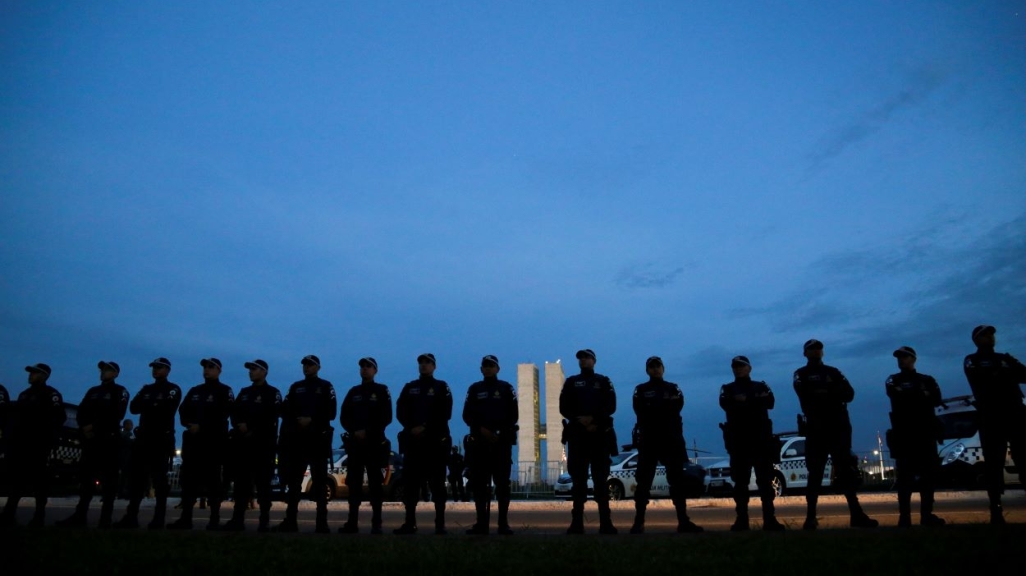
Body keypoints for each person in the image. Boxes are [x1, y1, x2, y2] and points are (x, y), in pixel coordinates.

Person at [793, 339, 878, 530]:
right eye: (811, 349)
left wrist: (823, 392)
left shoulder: (834, 371)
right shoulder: (801, 373)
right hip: (816, 428)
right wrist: (830, 392)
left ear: (822, 351)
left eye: (818, 348)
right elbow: (805, 395)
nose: (816, 351)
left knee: (845, 472)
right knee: (814, 474)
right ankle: (810, 518)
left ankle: (856, 515)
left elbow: (849, 394)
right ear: (805, 353)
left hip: (838, 428)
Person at [627, 356, 705, 534]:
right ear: (647, 370)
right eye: (652, 367)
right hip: (649, 441)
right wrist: (661, 409)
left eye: (658, 366)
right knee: (643, 482)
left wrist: (655, 410)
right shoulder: (640, 389)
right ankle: (638, 523)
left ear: (663, 369)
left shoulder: (673, 387)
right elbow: (641, 410)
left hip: (671, 441)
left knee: (677, 482)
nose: (655, 369)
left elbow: (676, 407)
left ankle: (683, 521)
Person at [963, 325, 1026, 524]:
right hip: (990, 417)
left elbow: (1024, 375)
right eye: (985, 335)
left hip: (1015, 414)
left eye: (991, 334)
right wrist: (1003, 373)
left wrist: (1002, 372)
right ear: (976, 339)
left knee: (1024, 457)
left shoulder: (1004, 358)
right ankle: (996, 508)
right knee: (993, 462)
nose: (990, 337)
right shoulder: (972, 360)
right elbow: (982, 380)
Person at [57, 361, 130, 528]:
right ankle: (79, 515)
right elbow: (82, 411)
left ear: (116, 374)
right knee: (86, 479)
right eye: (102, 369)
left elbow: (117, 413)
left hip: (108, 440)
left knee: (109, 481)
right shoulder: (93, 391)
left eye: (108, 370)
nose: (103, 372)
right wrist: (84, 427)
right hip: (91, 440)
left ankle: (105, 518)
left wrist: (95, 426)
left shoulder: (119, 391)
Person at [113, 357, 182, 529]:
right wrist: (153, 404)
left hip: (161, 439)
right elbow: (134, 407)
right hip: (143, 439)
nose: (155, 370)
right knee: (137, 480)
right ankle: (131, 516)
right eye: (154, 367)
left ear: (167, 370)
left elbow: (167, 409)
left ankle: (158, 518)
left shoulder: (173, 389)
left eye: (159, 368)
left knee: (159, 480)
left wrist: (150, 404)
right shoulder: (147, 388)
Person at [718, 355, 784, 531]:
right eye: (735, 366)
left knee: (765, 482)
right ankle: (742, 520)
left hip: (761, 441)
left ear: (749, 368)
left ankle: (770, 519)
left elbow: (770, 402)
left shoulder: (761, 385)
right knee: (740, 483)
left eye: (741, 366)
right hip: (739, 442)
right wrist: (754, 400)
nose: (738, 369)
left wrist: (744, 401)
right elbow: (726, 404)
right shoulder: (727, 388)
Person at [167, 358, 234, 530]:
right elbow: (183, 411)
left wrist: (202, 426)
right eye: (205, 367)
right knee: (189, 482)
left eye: (211, 367)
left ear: (219, 370)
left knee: (213, 483)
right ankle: (186, 518)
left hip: (213, 443)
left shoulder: (224, 391)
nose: (206, 370)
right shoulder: (195, 390)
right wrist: (190, 424)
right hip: (193, 444)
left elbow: (223, 414)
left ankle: (214, 520)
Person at [275, 355, 337, 533]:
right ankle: (290, 521)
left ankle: (321, 523)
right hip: (298, 442)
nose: (306, 367)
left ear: (318, 367)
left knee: (319, 483)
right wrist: (297, 420)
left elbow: (331, 412)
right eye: (304, 365)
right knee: (294, 484)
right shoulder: (296, 387)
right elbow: (284, 410)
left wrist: (312, 420)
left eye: (310, 365)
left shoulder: (326, 386)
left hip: (318, 441)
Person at [885, 346, 945, 527]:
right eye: (899, 357)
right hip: (904, 435)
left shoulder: (927, 379)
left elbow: (936, 399)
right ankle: (905, 518)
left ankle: (926, 515)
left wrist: (912, 395)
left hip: (925, 434)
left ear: (913, 359)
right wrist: (921, 395)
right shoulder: (893, 379)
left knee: (928, 477)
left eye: (905, 357)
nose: (901, 360)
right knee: (905, 478)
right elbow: (896, 395)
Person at [0, 364, 66, 528]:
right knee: (16, 480)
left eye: (35, 373)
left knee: (39, 481)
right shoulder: (24, 395)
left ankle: (39, 516)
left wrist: (48, 436)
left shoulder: (51, 394)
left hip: (39, 444)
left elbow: (59, 417)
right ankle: (9, 513)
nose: (30, 375)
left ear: (44, 376)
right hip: (21, 444)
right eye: (31, 373)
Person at [560, 348, 618, 535]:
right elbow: (564, 407)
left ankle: (606, 523)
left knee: (601, 481)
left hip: (599, 436)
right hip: (578, 436)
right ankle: (577, 523)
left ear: (594, 360)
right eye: (581, 358)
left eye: (587, 357)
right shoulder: (571, 382)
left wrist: (594, 420)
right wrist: (580, 420)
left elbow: (611, 405)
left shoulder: (603, 381)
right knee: (578, 483)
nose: (583, 360)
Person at [394, 353, 453, 535]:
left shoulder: (441, 387)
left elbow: (445, 412)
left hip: (435, 444)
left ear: (434, 366)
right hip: (414, 445)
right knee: (411, 486)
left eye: (427, 363)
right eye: (421, 362)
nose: (423, 365)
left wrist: (425, 427)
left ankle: (440, 524)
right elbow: (400, 411)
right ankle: (409, 523)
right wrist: (411, 427)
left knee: (437, 486)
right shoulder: (410, 387)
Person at [222, 359, 281, 532]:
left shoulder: (273, 392)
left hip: (264, 446)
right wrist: (239, 425)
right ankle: (237, 520)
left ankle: (264, 522)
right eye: (250, 369)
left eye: (254, 369)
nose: (251, 372)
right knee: (241, 485)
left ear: (264, 372)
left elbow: (272, 415)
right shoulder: (245, 392)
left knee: (263, 485)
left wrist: (252, 427)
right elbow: (234, 412)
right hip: (243, 446)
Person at [462, 355, 518, 535]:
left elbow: (513, 415)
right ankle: (481, 523)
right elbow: (467, 415)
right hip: (480, 443)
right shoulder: (474, 389)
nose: (488, 368)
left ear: (497, 369)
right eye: (485, 366)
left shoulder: (506, 388)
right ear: (481, 369)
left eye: (491, 366)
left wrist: (498, 432)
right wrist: (480, 430)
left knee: (502, 485)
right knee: (479, 485)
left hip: (501, 444)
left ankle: (503, 523)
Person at [338, 357, 392, 534]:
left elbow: (387, 416)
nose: (365, 369)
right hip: (355, 445)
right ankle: (352, 522)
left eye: (368, 366)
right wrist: (355, 431)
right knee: (354, 484)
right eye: (362, 366)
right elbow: (344, 416)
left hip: (374, 444)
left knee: (375, 484)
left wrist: (367, 431)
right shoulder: (354, 392)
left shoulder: (382, 390)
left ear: (375, 370)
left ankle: (377, 523)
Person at [117, 419, 134, 500]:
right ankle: (124, 493)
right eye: (130, 424)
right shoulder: (129, 434)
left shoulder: (121, 433)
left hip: (121, 457)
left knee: (122, 477)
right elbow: (133, 442)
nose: (131, 426)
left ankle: (120, 492)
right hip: (126, 458)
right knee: (126, 477)